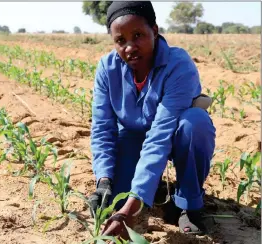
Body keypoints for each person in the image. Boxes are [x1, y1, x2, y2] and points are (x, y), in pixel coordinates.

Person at [88, 1, 216, 240]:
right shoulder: (107, 68)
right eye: (120, 40)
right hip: (132, 138)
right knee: (119, 199)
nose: (129, 47)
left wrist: (130, 211)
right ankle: (150, 186)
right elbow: (103, 129)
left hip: (175, 135)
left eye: (138, 35)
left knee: (195, 122)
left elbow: (161, 135)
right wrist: (104, 180)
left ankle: (189, 203)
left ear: (154, 31)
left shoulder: (178, 65)